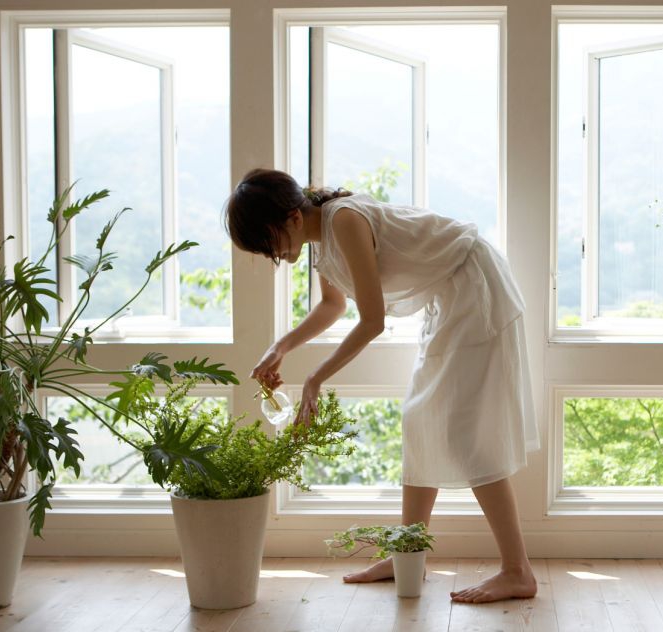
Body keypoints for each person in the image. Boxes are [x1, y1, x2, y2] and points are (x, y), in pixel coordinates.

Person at [226, 168, 539, 604]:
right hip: (448, 294)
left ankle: (516, 570)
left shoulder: (343, 220)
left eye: (268, 243)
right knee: (419, 420)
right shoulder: (322, 242)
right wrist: (281, 347)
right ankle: (406, 555)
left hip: (473, 284)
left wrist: (316, 379)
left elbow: (372, 321)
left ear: (293, 219)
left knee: (464, 433)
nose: (272, 255)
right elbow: (333, 306)